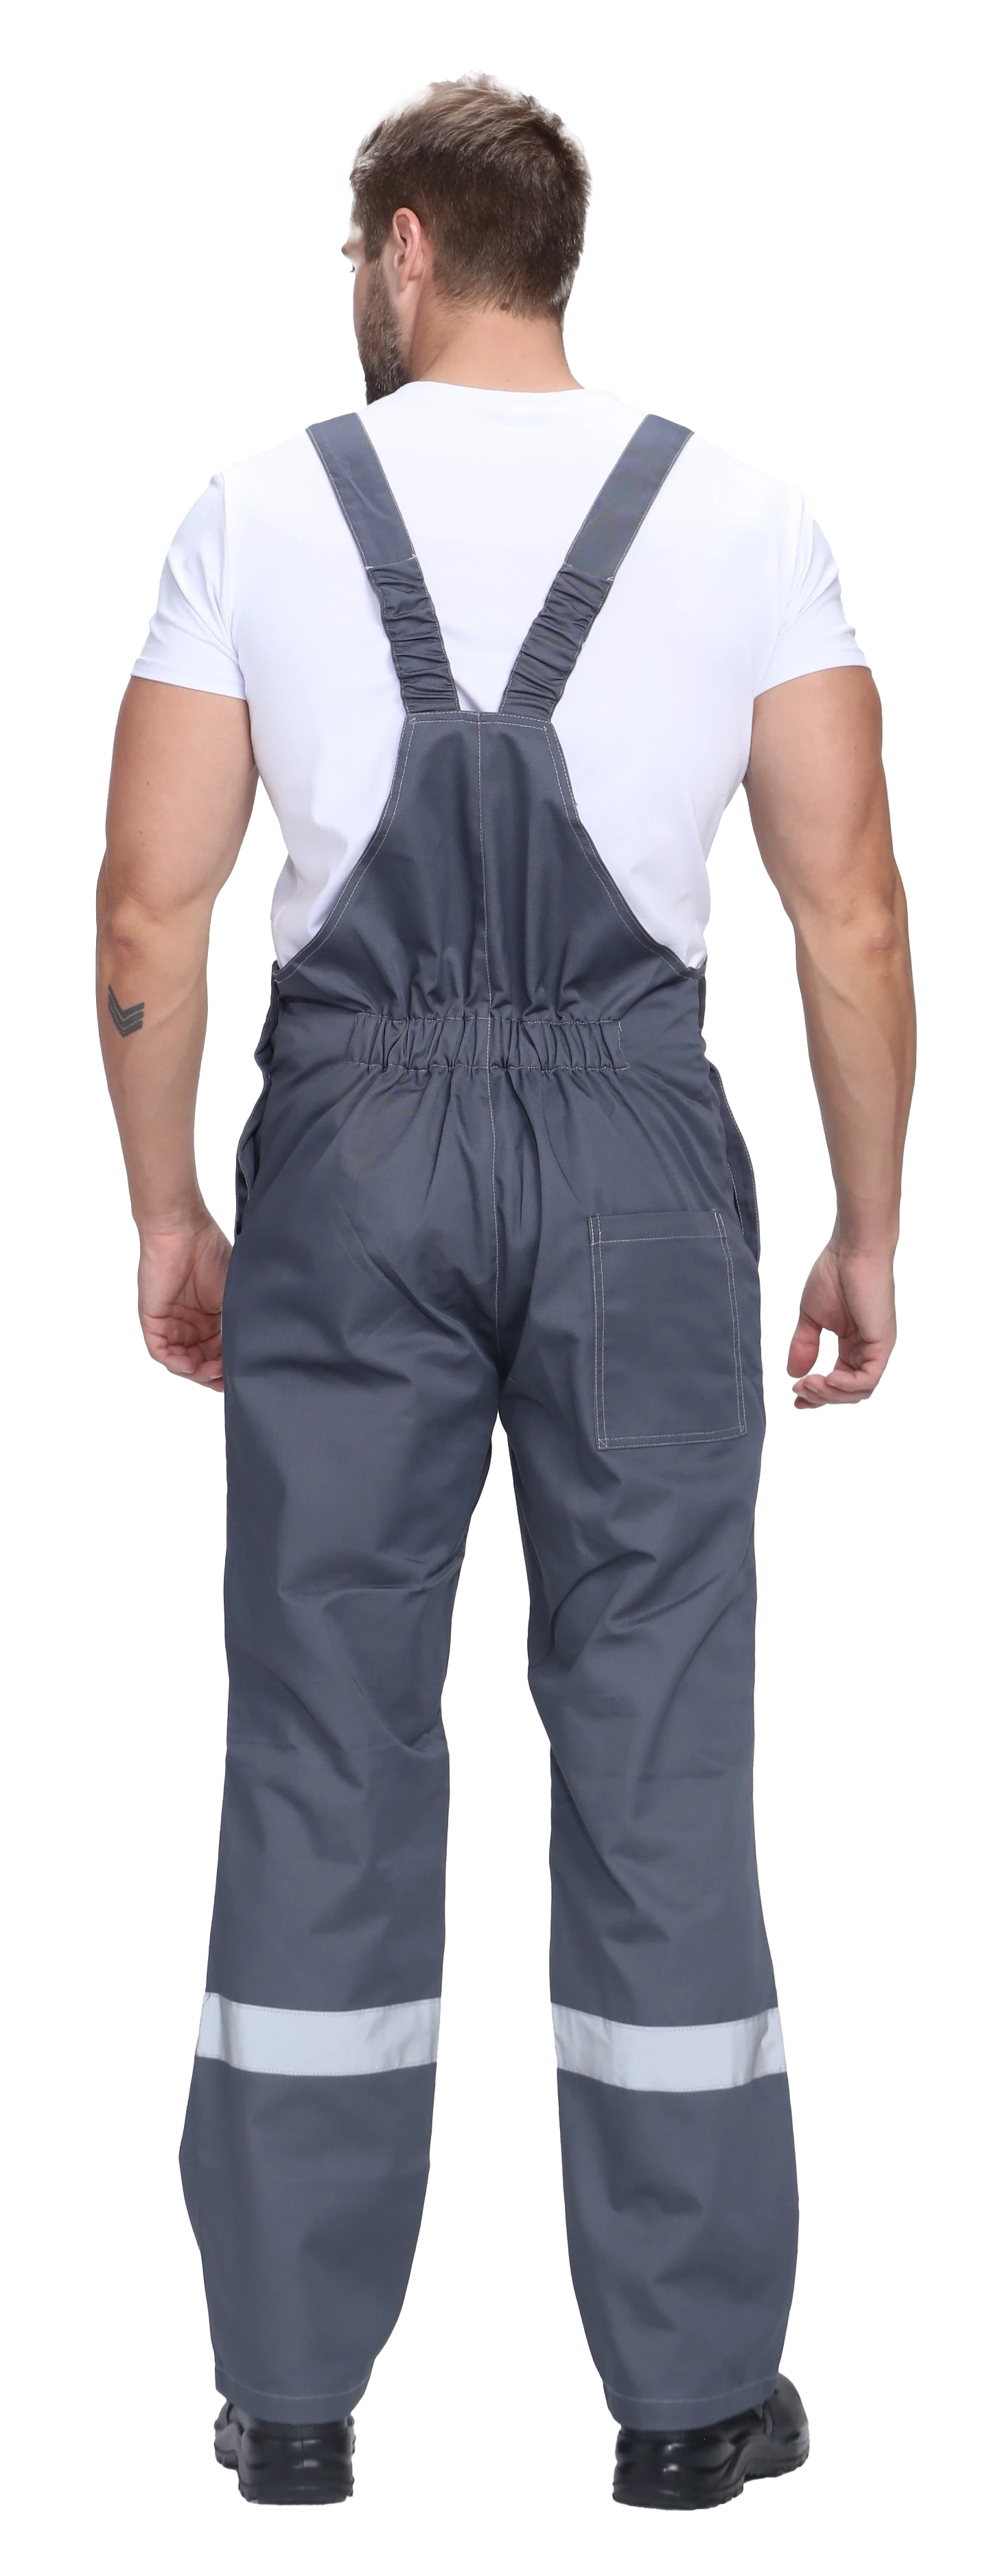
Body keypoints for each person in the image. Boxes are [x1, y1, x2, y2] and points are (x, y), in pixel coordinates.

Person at [96, 71, 915, 2514]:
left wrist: (166, 1205)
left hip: (352, 1165)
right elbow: (848, 909)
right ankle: (686, 2404)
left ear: (409, 244)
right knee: (655, 1745)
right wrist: (868, 1221)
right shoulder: (746, 516)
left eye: (353, 252)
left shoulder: (256, 510)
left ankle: (290, 2399)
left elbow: (150, 909)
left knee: (323, 1734)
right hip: (638, 1166)